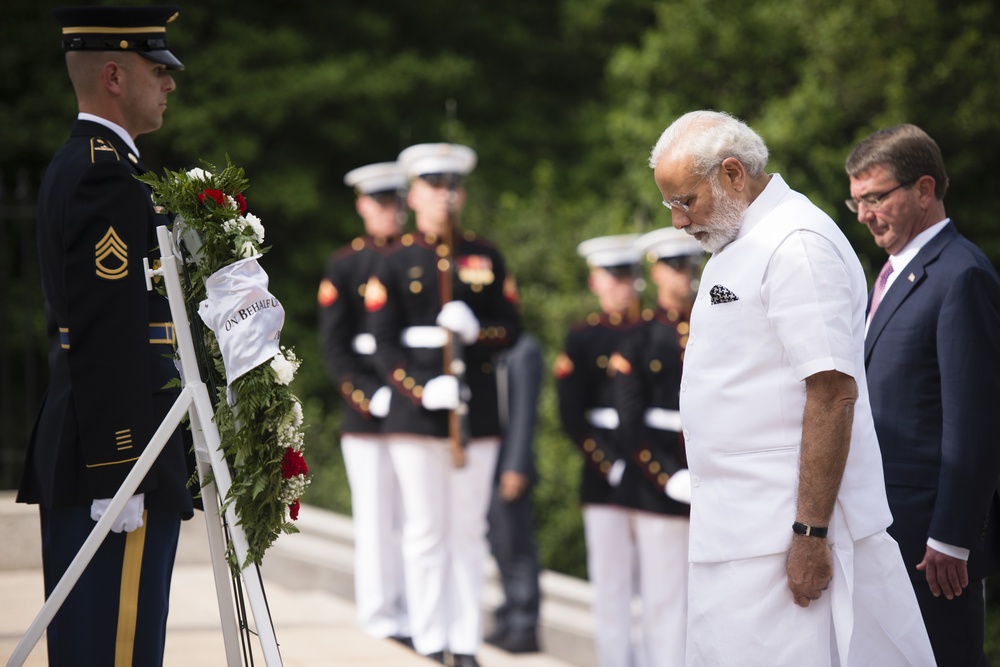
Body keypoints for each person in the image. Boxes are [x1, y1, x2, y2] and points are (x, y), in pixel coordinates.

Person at [648, 110, 934, 666]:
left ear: (733, 174)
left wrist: (810, 532)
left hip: (783, 539)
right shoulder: (738, 240)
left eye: (685, 201)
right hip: (738, 531)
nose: (679, 222)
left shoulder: (796, 243)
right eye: (671, 206)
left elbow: (832, 392)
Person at [16, 7, 195, 666]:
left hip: (105, 441)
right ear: (115, 75)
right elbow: (103, 329)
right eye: (158, 70)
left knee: (99, 645)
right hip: (119, 452)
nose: (169, 84)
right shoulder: (102, 173)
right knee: (116, 648)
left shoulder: (94, 165)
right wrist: (120, 470)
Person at [845, 124, 1000, 666]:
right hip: (885, 526)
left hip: (932, 547)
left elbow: (975, 423)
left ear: (924, 190)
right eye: (855, 200)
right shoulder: (892, 273)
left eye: (875, 197)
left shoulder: (961, 275)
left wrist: (953, 537)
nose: (863, 214)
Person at [366, 142, 521, 667]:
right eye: (434, 186)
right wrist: (419, 388)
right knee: (426, 530)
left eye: (452, 186)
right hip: (417, 414)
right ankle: (431, 640)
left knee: (468, 531)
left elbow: (512, 328)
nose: (445, 195)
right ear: (413, 193)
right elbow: (382, 342)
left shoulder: (485, 255)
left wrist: (479, 331)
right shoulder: (393, 260)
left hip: (475, 415)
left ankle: (464, 639)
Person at [556, 234, 685, 667]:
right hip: (608, 474)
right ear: (595, 282)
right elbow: (574, 416)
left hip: (654, 468)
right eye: (612, 277)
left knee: (661, 586)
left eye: (627, 276)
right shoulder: (584, 338)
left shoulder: (654, 330)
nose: (621, 285)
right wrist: (610, 465)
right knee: (612, 585)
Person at [318, 161, 410, 645]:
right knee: (376, 518)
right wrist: (368, 397)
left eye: (396, 202)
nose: (389, 212)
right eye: (381, 203)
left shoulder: (420, 259)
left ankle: (413, 613)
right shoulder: (346, 265)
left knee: (415, 520)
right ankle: (380, 615)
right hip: (368, 409)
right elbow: (334, 348)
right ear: (362, 206)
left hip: (414, 407)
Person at [484, 333, 543, 654]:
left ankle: (524, 623)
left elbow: (523, 413)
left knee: (516, 545)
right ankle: (508, 615)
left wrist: (516, 465)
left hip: (510, 463)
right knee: (499, 543)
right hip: (487, 463)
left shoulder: (523, 348)